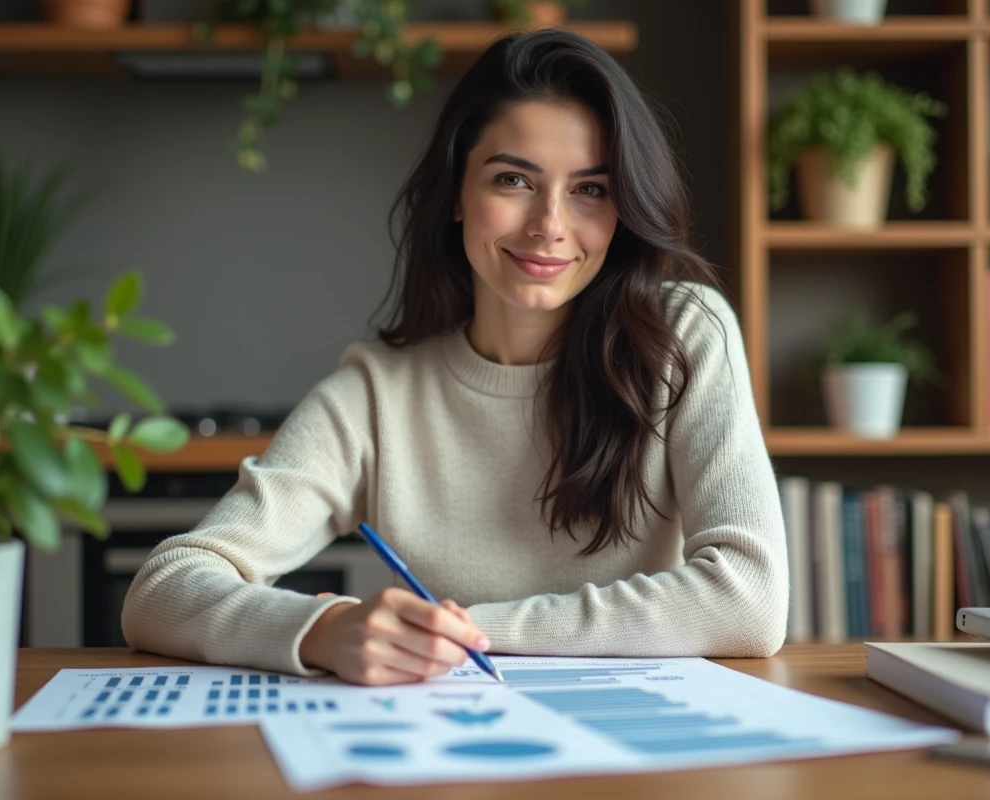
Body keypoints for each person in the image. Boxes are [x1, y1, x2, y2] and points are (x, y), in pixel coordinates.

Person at [122, 29, 788, 686]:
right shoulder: (379, 393)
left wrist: (465, 629)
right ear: (456, 197)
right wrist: (322, 632)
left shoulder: (683, 335)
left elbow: (749, 602)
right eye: (512, 180)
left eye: (590, 189)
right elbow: (163, 588)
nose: (549, 225)